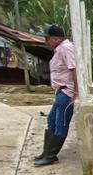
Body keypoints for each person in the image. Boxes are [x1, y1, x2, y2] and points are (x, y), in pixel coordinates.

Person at [33, 24, 78, 167]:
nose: (46, 42)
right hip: (61, 91)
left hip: (67, 92)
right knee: (52, 120)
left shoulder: (66, 48)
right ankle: (47, 152)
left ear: (56, 38)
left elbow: (74, 69)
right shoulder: (60, 49)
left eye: (48, 38)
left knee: (61, 124)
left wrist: (75, 93)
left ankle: (51, 156)